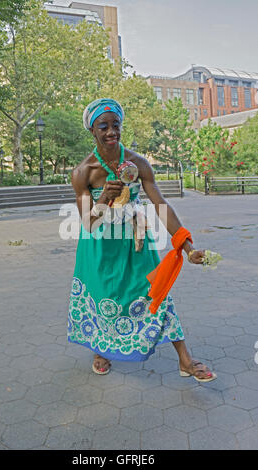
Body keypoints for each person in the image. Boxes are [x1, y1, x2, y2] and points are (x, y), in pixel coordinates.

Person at [67, 98, 217, 383]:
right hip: (99, 247)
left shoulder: (138, 163)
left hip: (136, 245)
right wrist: (103, 198)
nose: (111, 132)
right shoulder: (83, 172)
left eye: (116, 125)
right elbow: (87, 222)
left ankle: (185, 360)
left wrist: (187, 246)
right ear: (93, 131)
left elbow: (161, 204)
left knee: (156, 294)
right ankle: (102, 351)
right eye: (103, 126)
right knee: (103, 298)